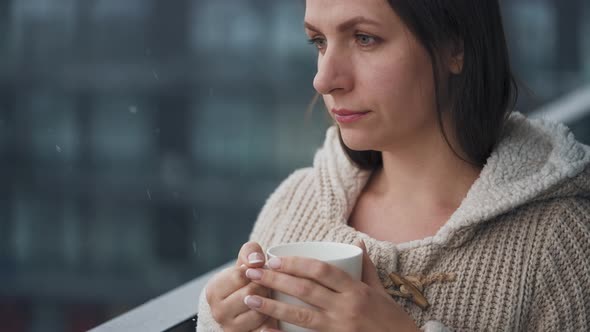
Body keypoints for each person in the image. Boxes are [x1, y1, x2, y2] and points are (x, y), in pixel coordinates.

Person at [197, 0, 590, 330]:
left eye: (365, 38)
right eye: (318, 41)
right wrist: (220, 322)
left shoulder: (561, 243)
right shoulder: (294, 205)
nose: (324, 79)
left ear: (456, 47)